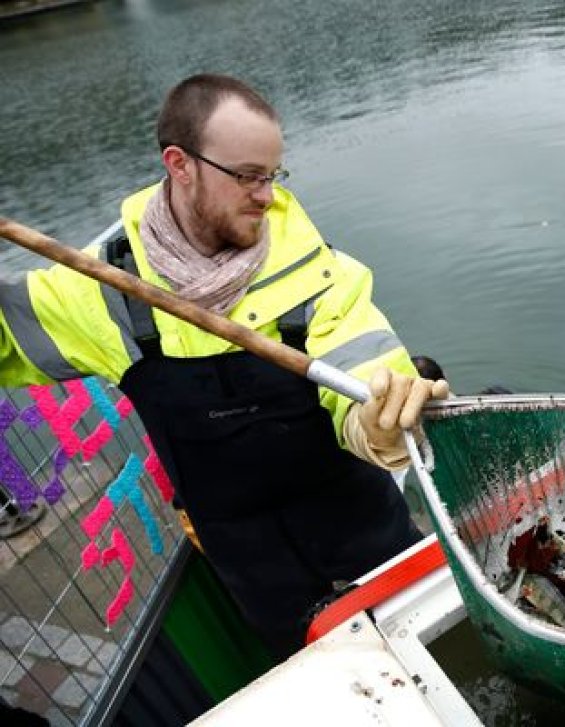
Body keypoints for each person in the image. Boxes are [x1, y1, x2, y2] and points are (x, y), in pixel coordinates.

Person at [0, 74, 449, 658]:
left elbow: (368, 381)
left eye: (273, 175)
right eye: (247, 176)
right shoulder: (101, 291)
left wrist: (383, 423)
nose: (265, 194)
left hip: (368, 533)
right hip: (257, 576)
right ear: (179, 163)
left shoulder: (321, 275)